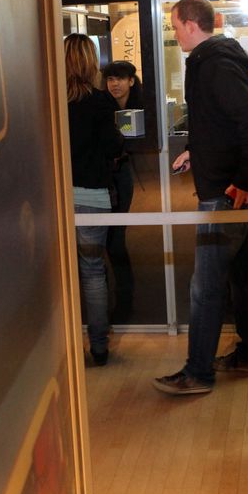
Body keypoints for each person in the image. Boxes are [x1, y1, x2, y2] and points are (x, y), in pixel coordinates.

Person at [154, 0, 248, 395]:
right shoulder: (212, 63)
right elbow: (222, 125)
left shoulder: (215, 65)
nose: (174, 33)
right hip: (229, 186)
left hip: (225, 193)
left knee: (205, 286)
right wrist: (195, 152)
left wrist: (247, 182)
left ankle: (198, 372)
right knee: (244, 275)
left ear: (189, 24)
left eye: (174, 26)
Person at [65, 34, 124, 366]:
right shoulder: (100, 102)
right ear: (90, 62)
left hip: (56, 197)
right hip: (92, 196)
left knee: (57, 274)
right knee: (92, 272)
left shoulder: (49, 99)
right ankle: (98, 347)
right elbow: (113, 146)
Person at [101, 60, 142, 322]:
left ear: (131, 81)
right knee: (105, 241)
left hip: (123, 176)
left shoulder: (142, 106)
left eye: (119, 78)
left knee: (115, 240)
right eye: (110, 79)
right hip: (103, 177)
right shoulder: (102, 107)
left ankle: (125, 298)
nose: (114, 84)